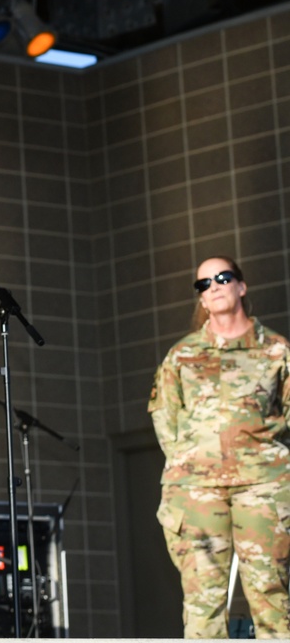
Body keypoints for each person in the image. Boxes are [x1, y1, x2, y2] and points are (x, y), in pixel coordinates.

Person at [149, 256, 290, 638]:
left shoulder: (277, 350)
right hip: (197, 491)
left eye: (223, 277)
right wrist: (190, 461)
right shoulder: (182, 356)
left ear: (241, 286)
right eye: (203, 283)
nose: (213, 286)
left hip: (263, 486)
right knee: (202, 602)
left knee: (271, 594)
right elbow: (166, 418)